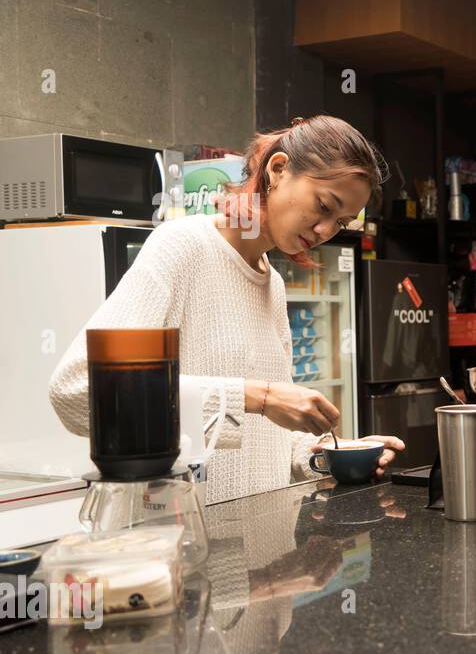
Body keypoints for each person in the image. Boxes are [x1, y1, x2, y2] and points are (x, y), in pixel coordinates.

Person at [50, 115, 405, 505]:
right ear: (278, 169)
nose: (324, 231)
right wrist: (259, 397)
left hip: (268, 552)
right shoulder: (182, 247)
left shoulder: (273, 284)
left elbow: (258, 438)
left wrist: (324, 456)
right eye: (323, 205)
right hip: (187, 546)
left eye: (340, 223)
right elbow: (77, 392)